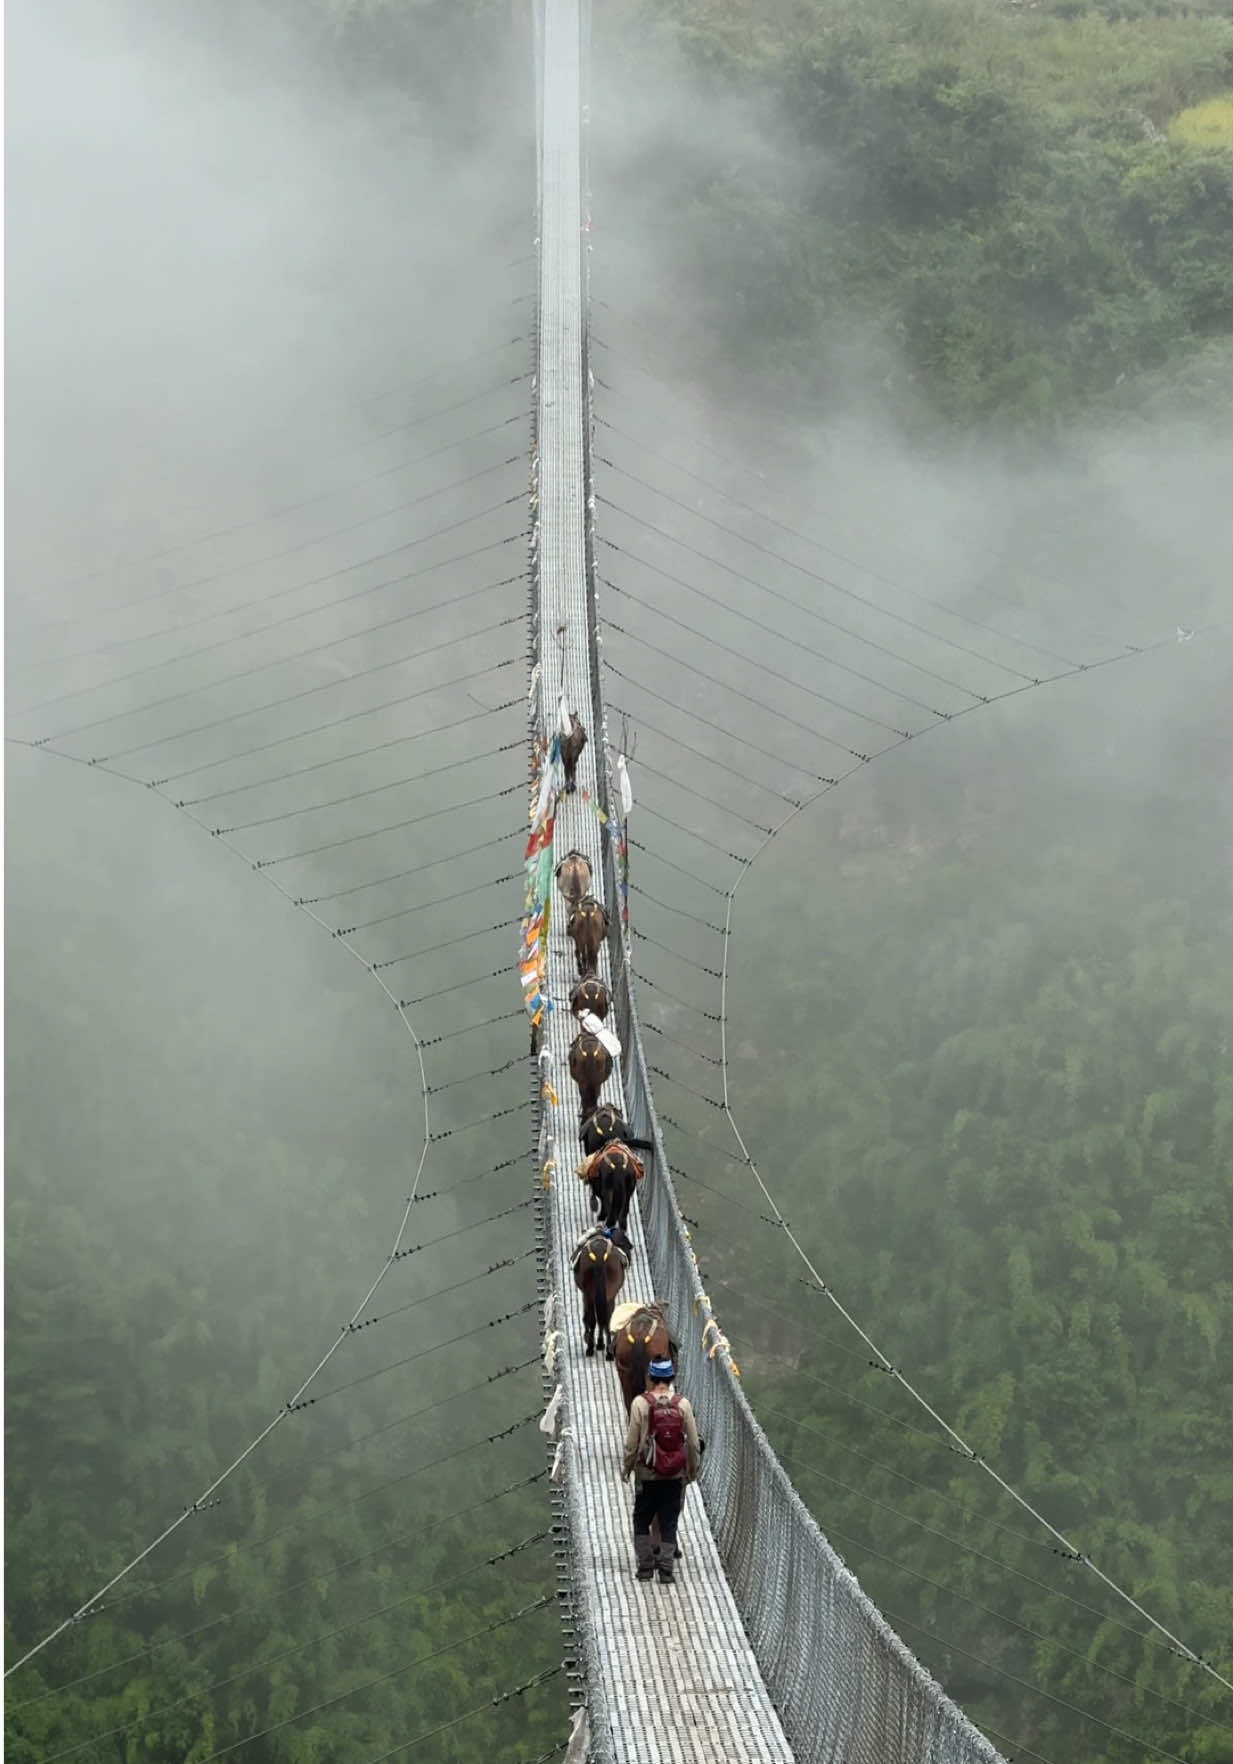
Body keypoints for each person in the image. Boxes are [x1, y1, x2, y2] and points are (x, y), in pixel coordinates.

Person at [621, 1357, 701, 1583]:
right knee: (669, 1521)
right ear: (670, 1378)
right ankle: (666, 1570)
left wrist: (626, 1468)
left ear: (651, 1378)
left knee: (641, 1518)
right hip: (674, 1475)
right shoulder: (683, 1404)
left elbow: (632, 1442)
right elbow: (693, 1443)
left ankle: (645, 1567)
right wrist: (691, 1470)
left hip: (647, 1474)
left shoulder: (639, 1403)